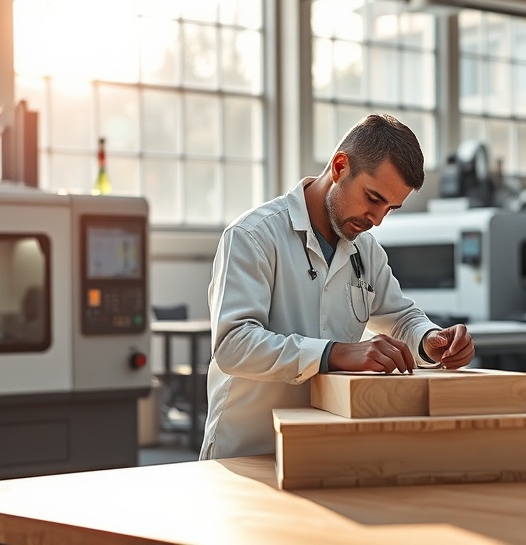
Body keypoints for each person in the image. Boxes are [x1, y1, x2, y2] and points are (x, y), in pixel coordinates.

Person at [200, 114, 476, 459]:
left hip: (328, 448)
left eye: (390, 208)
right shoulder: (252, 236)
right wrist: (335, 354)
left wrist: (428, 339)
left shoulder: (366, 249)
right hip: (250, 448)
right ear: (340, 166)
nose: (377, 219)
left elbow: (400, 317)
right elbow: (233, 344)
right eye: (373, 198)